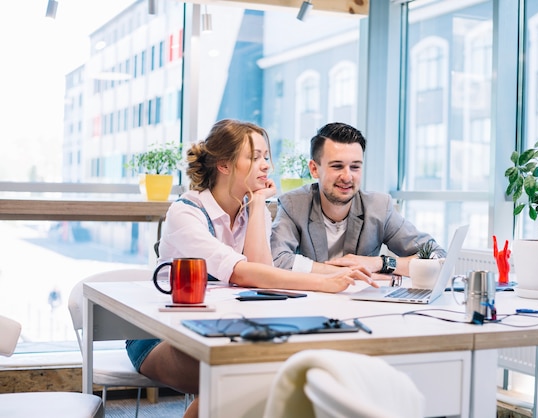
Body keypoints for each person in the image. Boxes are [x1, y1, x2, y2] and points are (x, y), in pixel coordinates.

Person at [125, 119, 373, 418]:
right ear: (224, 165)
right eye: (255, 157)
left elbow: (261, 275)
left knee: (259, 373)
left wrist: (257, 205)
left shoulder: (250, 211)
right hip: (162, 335)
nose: (266, 165)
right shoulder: (186, 212)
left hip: (222, 327)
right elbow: (243, 272)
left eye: (266, 156)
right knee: (240, 378)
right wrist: (324, 281)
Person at [271, 122, 446, 280]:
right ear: (314, 169)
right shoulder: (293, 205)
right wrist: (345, 273)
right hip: (309, 305)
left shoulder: (379, 206)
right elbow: (276, 260)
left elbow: (436, 255)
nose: (347, 177)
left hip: (361, 306)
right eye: (337, 166)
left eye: (355, 167)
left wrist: (380, 263)